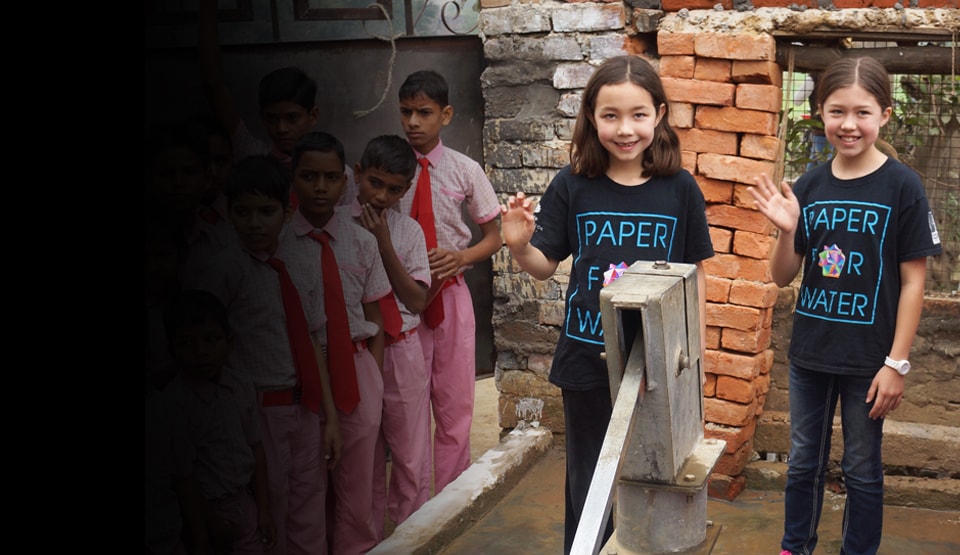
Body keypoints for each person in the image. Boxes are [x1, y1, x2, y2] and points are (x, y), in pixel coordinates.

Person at [500, 55, 714, 554]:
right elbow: (544, 263)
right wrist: (517, 245)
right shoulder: (573, 185)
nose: (625, 129)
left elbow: (694, 275)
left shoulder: (679, 188)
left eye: (638, 114)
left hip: (658, 365)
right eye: (610, 115)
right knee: (589, 480)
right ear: (591, 118)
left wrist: (693, 357)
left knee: (655, 476)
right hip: (587, 358)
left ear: (658, 115)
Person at [747, 56, 942, 555]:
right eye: (837, 112)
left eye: (862, 112)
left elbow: (914, 282)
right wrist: (788, 230)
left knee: (861, 466)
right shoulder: (809, 186)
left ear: (885, 114)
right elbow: (782, 275)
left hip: (870, 361)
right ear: (819, 113)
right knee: (804, 461)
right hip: (811, 354)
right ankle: (796, 546)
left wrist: (896, 363)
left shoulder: (902, 186)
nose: (848, 124)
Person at [185, 155, 342, 554]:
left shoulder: (301, 263)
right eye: (243, 212)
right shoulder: (223, 269)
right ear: (230, 212)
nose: (255, 223)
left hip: (304, 407)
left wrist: (329, 416)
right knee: (271, 507)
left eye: (266, 211)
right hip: (258, 411)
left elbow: (313, 342)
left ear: (287, 212)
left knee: (309, 503)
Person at [396, 69, 502, 495]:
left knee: (456, 404)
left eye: (424, 113)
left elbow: (495, 236)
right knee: (408, 410)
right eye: (405, 113)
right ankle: (412, 506)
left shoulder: (465, 170)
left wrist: (461, 257)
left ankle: (451, 503)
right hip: (401, 301)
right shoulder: (391, 167)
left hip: (451, 296)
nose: (413, 123)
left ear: (446, 115)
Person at [285, 131, 391, 555]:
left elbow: (375, 319)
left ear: (345, 182)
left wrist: (376, 383)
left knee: (357, 485)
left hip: (356, 365)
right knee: (306, 483)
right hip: (304, 371)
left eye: (330, 178)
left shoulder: (361, 241)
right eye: (309, 176)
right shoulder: (278, 244)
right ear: (292, 177)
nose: (320, 187)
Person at [351, 135, 432, 533]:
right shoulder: (334, 225)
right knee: (362, 453)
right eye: (374, 183)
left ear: (407, 188)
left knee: (410, 453)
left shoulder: (408, 232)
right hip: (356, 353)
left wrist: (384, 243)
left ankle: (411, 535)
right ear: (357, 175)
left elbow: (417, 300)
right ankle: (365, 538)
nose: (382, 196)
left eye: (395, 189)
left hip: (402, 349)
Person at [162, 289, 276, 554]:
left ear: (230, 341)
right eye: (187, 343)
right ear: (171, 350)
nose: (201, 352)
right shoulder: (174, 403)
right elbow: (185, 478)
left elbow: (255, 448)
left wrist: (264, 510)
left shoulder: (240, 386)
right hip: (206, 512)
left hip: (244, 503)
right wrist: (205, 529)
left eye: (211, 339)